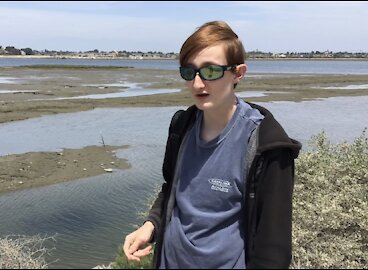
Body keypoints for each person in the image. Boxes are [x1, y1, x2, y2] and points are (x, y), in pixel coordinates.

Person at [123, 20, 302, 269]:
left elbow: (273, 249)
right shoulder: (181, 127)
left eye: (210, 71)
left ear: (238, 73)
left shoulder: (267, 145)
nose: (197, 84)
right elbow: (171, 189)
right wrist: (150, 225)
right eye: (189, 72)